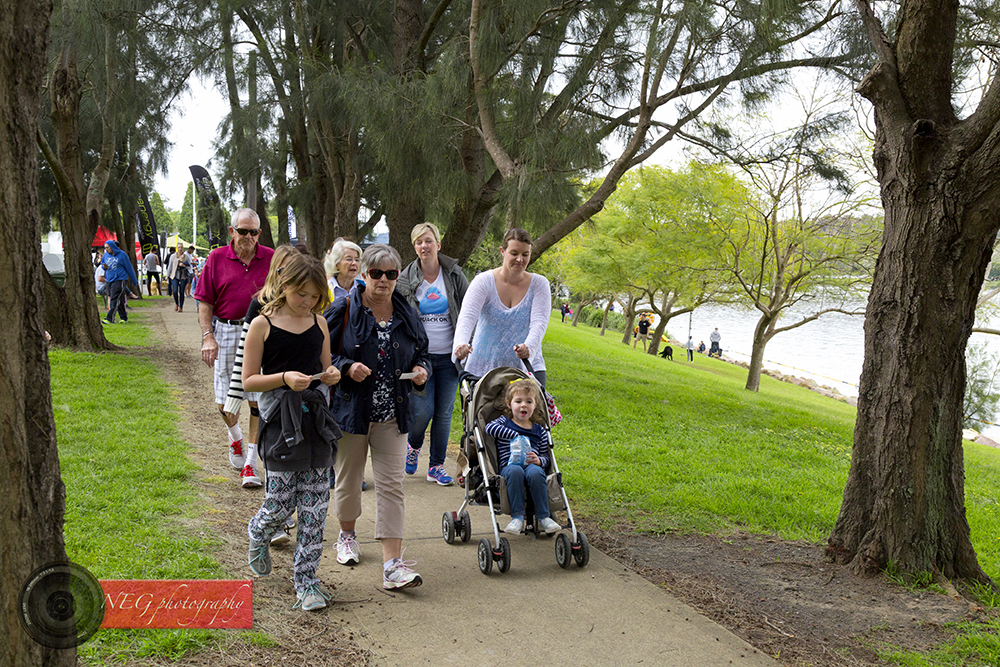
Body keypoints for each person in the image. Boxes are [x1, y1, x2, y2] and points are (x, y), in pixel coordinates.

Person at [324, 244, 429, 590]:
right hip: (352, 412)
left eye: (391, 274)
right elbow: (322, 354)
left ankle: (392, 566)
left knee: (392, 485)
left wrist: (421, 370)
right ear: (364, 273)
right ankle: (347, 536)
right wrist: (346, 366)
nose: (383, 280)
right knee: (349, 479)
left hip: (393, 414)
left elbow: (423, 352)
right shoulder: (344, 308)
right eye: (376, 273)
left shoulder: (407, 311)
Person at [242, 254, 341, 612]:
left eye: (315, 296)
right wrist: (283, 378)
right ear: (285, 286)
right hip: (280, 425)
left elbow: (326, 367)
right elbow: (249, 380)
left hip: (316, 423)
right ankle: (259, 531)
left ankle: (307, 582)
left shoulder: (319, 322)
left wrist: (332, 374)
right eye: (302, 294)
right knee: (281, 502)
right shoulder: (262, 324)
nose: (308, 302)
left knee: (315, 508)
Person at [195, 208, 275, 485]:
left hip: (261, 332)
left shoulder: (271, 258)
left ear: (259, 234)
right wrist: (208, 336)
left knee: (257, 398)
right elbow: (205, 301)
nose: (248, 237)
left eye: (253, 232)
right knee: (224, 400)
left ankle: (251, 463)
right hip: (227, 329)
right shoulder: (216, 258)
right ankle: (236, 437)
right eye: (243, 231)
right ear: (232, 231)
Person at [396, 222, 469, 486]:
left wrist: (466, 343)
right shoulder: (405, 278)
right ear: (414, 247)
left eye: (428, 241)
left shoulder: (454, 274)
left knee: (444, 414)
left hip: (449, 357)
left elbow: (469, 310)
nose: (424, 246)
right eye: (419, 242)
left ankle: (436, 466)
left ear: (438, 244)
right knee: (421, 412)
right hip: (421, 359)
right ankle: (414, 445)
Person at [223, 245, 301, 492]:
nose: (288, 276)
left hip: (298, 382)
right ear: (274, 271)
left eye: (294, 270)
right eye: (282, 270)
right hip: (266, 377)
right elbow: (243, 354)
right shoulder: (259, 303)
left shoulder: (307, 303)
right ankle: (251, 462)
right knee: (261, 418)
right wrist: (234, 395)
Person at [453, 227, 551, 389]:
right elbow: (467, 317)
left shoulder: (539, 284)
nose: (520, 259)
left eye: (525, 254)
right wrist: (461, 344)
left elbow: (539, 322)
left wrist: (529, 347)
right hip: (483, 368)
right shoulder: (483, 281)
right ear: (502, 251)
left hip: (525, 368)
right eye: (514, 253)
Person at [484, 379, 560, 535]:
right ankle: (517, 517)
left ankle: (544, 517)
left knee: (536, 472)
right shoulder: (504, 422)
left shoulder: (539, 430)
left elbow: (546, 458)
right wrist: (514, 435)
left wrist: (539, 460)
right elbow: (489, 428)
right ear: (509, 404)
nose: (523, 405)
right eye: (518, 401)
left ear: (535, 405)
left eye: (528, 401)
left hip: (532, 465)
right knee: (515, 471)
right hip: (509, 466)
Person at [101, 240, 138, 325]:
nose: (106, 249)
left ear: (112, 247)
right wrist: (104, 267)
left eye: (108, 247)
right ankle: (123, 317)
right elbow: (102, 264)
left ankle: (110, 318)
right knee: (119, 299)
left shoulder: (122, 255)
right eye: (105, 248)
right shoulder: (105, 255)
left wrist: (134, 281)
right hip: (109, 279)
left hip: (120, 279)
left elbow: (129, 268)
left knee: (114, 298)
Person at [166, 245, 189, 312]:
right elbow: (170, 266)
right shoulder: (173, 256)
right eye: (179, 247)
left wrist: (183, 265)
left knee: (181, 291)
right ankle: (176, 303)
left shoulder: (185, 256)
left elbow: (189, 266)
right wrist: (167, 275)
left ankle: (181, 306)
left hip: (183, 275)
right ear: (177, 248)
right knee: (175, 291)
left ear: (183, 248)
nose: (180, 249)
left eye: (181, 247)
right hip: (174, 275)